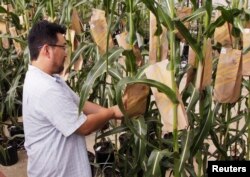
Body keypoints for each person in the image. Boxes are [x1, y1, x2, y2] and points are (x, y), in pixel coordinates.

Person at [22, 20, 123, 177]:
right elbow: (84, 127)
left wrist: (118, 111)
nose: (66, 53)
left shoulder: (48, 79)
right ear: (47, 50)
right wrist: (110, 112)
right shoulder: (44, 88)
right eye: (63, 47)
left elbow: (79, 103)